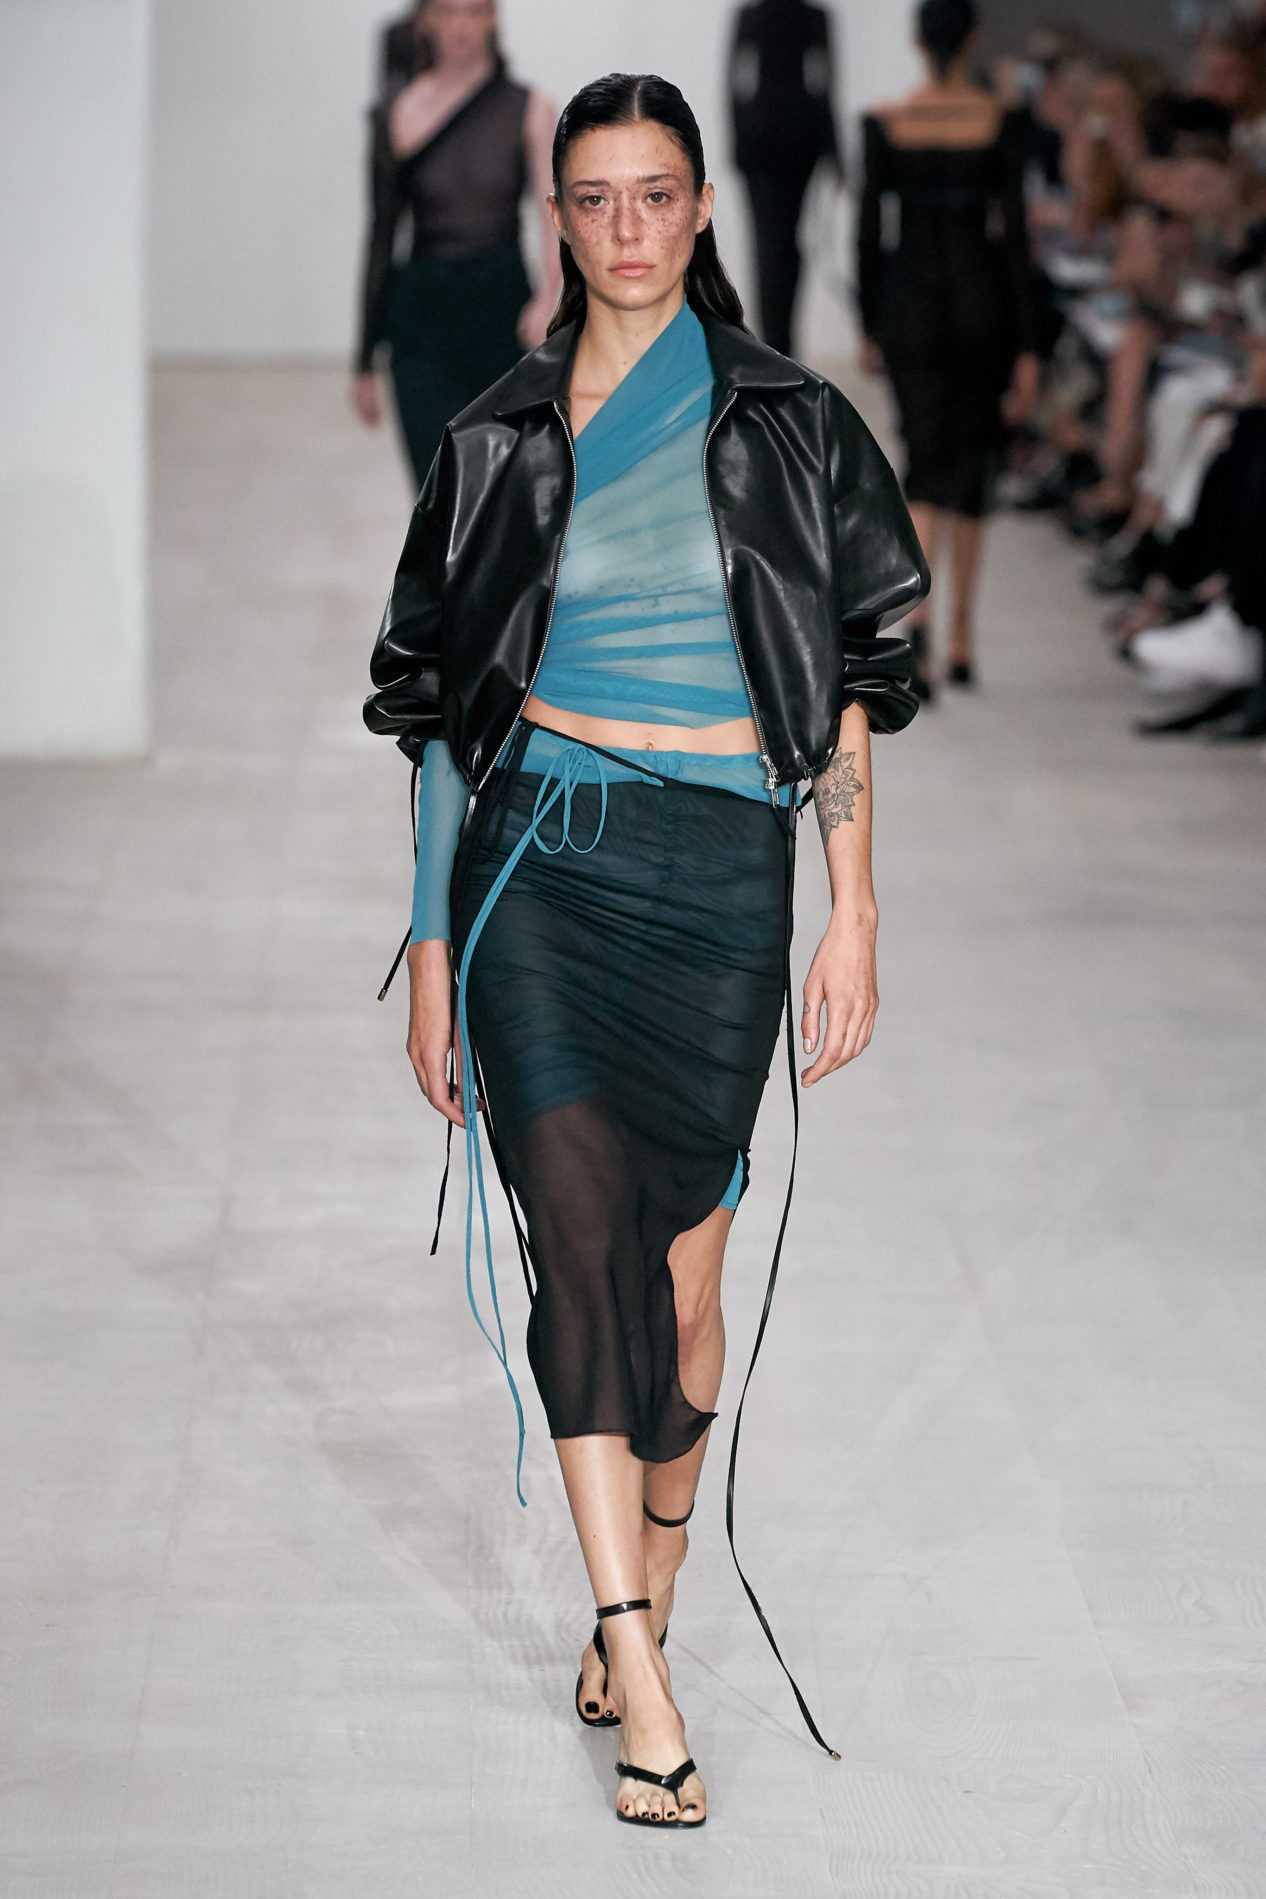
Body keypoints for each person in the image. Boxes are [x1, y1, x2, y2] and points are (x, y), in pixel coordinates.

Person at [364, 70, 928, 1828]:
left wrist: (853, 901)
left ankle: (654, 1578)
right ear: (556, 218)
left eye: (654, 193)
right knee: (578, 1249)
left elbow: (850, 677)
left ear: (699, 208)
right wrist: (432, 941)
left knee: (684, 1285)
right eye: (594, 197)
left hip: (719, 873)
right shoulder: (494, 440)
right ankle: (638, 1656)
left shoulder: (794, 424)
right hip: (537, 866)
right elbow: (435, 712)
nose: (625, 226)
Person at [856, 0, 1040, 697]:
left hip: (911, 308)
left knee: (924, 460)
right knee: (972, 467)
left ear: (917, 42)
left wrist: (869, 324)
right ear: (973, 40)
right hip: (982, 307)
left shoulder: (887, 123)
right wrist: (1028, 344)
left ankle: (923, 616)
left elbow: (869, 232)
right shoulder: (999, 122)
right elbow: (1015, 238)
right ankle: (961, 634)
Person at [351, 0, 561, 489]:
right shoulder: (398, 113)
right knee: (437, 493)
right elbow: (382, 236)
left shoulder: (531, 109)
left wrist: (550, 298)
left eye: (474, 12)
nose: (462, 27)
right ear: (426, 21)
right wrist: (364, 358)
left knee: (500, 492)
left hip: (503, 316)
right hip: (421, 324)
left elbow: (554, 216)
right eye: (448, 12)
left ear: (493, 19)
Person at [726, 0, 843, 356]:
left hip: (764, 139)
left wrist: (739, 137)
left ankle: (776, 340)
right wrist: (834, 149)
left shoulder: (752, 17)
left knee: (770, 244)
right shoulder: (814, 18)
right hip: (797, 137)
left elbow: (734, 84)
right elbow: (826, 87)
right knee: (784, 243)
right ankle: (780, 341)